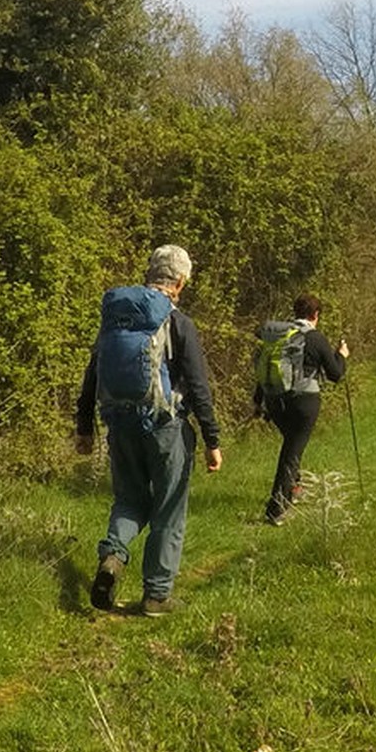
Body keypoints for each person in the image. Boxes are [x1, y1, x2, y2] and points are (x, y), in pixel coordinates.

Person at [75, 243, 220, 616]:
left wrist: (84, 429)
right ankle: (156, 595)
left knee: (128, 500)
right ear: (181, 282)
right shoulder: (178, 322)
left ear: (150, 274)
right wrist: (211, 439)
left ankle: (112, 556)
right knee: (168, 510)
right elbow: (199, 386)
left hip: (119, 425)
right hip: (165, 428)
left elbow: (92, 374)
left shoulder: (117, 319)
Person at [256, 293, 349, 525]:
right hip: (304, 402)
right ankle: (276, 509)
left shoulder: (279, 334)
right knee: (291, 452)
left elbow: (263, 368)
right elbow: (336, 374)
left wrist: (258, 402)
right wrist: (342, 355)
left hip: (274, 401)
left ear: (295, 311)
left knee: (291, 446)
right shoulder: (315, 338)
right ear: (316, 315)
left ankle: (294, 489)